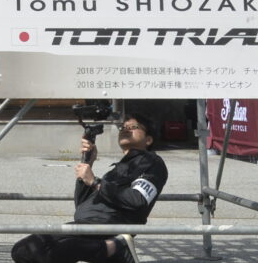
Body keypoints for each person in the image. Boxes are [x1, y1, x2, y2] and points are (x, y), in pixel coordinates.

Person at [11, 113, 168, 263]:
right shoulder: (118, 168)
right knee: (22, 250)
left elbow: (137, 199)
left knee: (60, 250)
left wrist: (95, 182)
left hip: (109, 225)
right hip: (87, 224)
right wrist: (88, 162)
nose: (126, 129)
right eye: (123, 127)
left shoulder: (152, 163)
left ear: (148, 140)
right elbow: (82, 204)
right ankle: (110, 250)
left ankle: (113, 247)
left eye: (133, 126)